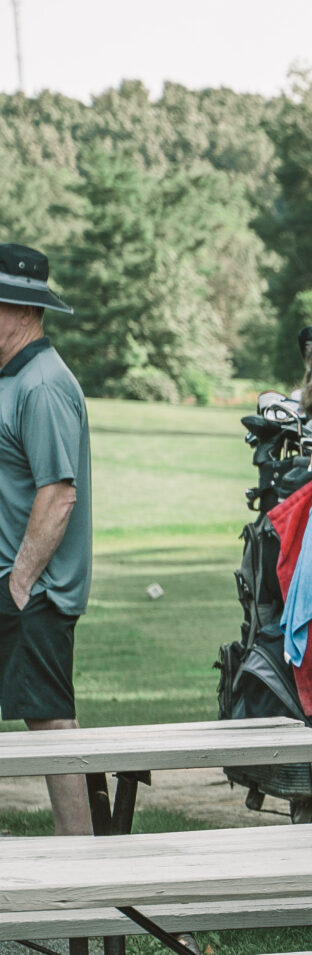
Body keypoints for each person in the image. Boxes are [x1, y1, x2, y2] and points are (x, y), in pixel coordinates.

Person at [0, 244, 94, 835]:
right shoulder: (13, 377)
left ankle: (79, 855)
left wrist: (20, 583)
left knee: (50, 721)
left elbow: (58, 495)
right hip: (16, 581)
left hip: (35, 589)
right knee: (45, 720)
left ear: (24, 310)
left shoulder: (43, 384)